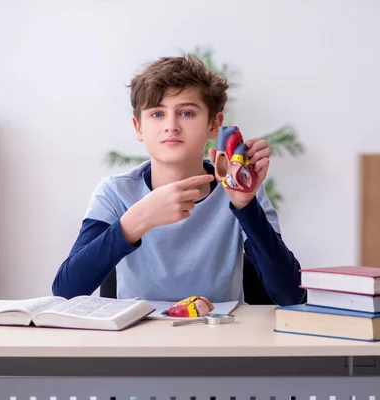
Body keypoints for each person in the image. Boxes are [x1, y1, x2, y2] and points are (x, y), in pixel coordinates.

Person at [51, 54, 305, 306]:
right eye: (157, 114)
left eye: (186, 113)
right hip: (137, 342)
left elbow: (291, 296)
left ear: (214, 124)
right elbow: (66, 291)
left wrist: (245, 207)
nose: (171, 126)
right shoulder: (115, 192)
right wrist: (137, 220)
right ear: (138, 127)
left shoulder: (240, 189)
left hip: (220, 339)